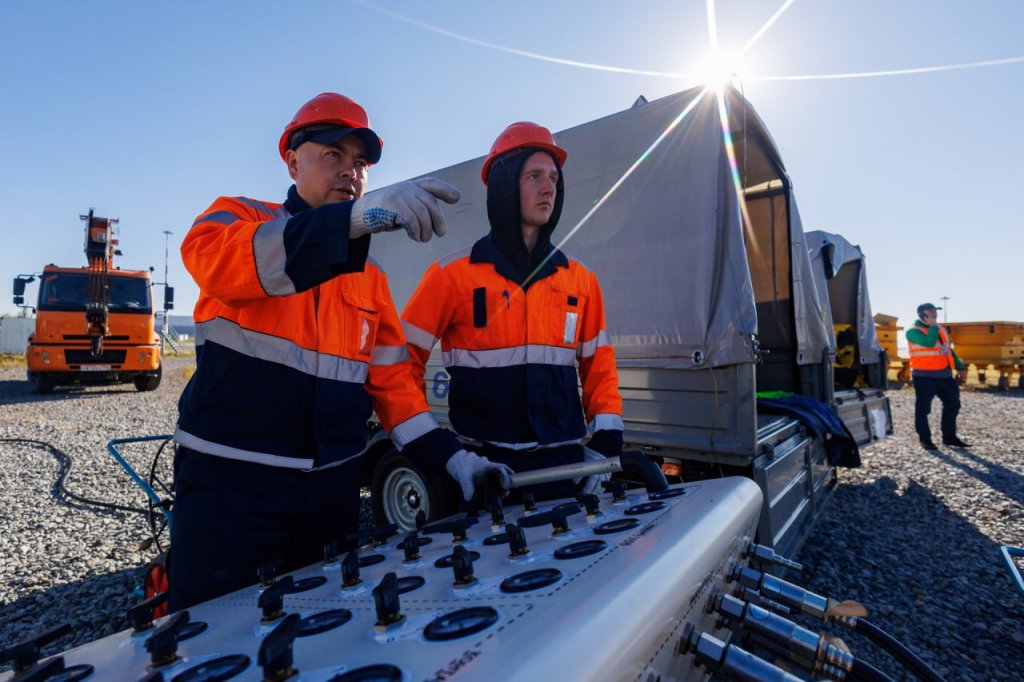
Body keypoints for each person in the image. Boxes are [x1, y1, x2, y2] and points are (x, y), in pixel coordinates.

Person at [170, 92, 509, 611]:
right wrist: (351, 223)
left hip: (329, 498)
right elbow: (216, 262)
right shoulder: (236, 219)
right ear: (292, 159)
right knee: (212, 641)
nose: (350, 171)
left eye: (360, 163)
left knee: (323, 637)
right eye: (333, 153)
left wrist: (455, 459)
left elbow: (396, 392)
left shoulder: (369, 282)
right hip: (231, 492)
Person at [401, 122, 624, 502]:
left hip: (567, 470)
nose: (549, 186)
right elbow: (398, 368)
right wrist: (447, 455)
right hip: (486, 475)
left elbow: (599, 368)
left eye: (553, 177)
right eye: (534, 175)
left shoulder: (580, 280)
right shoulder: (451, 277)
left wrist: (605, 446)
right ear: (504, 186)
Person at [906, 302, 969, 450]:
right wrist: (933, 326)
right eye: (931, 312)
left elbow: (948, 350)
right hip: (924, 377)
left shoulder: (941, 329)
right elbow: (928, 343)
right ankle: (925, 439)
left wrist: (960, 368)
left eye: (935, 312)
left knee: (953, 405)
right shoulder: (913, 331)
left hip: (945, 376)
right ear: (922, 314)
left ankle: (949, 437)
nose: (935, 314)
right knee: (923, 409)